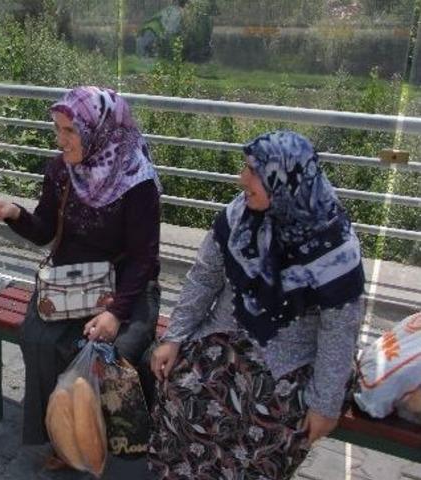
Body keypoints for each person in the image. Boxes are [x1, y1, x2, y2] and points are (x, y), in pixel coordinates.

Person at [149, 131, 365, 479]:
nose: (242, 179)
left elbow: (340, 328)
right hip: (228, 334)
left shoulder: (332, 243)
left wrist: (324, 405)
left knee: (266, 421)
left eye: (254, 171)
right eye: (245, 167)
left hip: (296, 357)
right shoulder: (238, 215)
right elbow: (204, 277)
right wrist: (174, 337)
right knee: (182, 392)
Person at [0, 86, 162, 461]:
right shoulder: (62, 170)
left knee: (105, 352)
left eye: (70, 130)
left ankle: (108, 443)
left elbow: (144, 260)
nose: (60, 140)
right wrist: (15, 213)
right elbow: (46, 229)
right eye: (57, 129)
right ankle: (62, 437)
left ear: (100, 130)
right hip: (70, 281)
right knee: (38, 337)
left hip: (127, 289)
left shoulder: (136, 181)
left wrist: (115, 313)